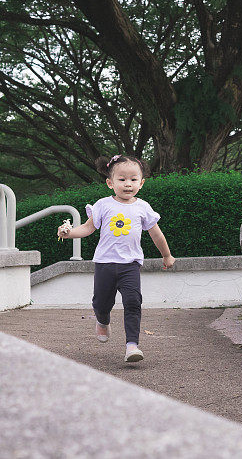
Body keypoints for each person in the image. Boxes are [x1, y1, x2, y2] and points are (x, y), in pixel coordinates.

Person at [57, 154, 176, 363]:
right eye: (122, 180)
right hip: (105, 263)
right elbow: (88, 227)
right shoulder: (103, 205)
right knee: (101, 302)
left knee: (133, 302)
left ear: (141, 182)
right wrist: (69, 233)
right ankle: (102, 320)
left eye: (133, 179)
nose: (128, 184)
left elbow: (156, 234)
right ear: (110, 183)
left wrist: (167, 255)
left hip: (130, 265)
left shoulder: (143, 207)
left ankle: (132, 346)